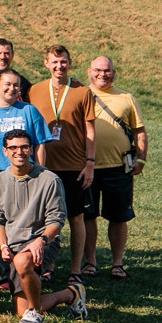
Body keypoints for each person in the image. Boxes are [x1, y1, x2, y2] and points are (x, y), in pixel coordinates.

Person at [0, 130, 84, 323]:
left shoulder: (49, 179)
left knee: (23, 261)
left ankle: (35, 314)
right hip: (13, 244)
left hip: (44, 240)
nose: (19, 152)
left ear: (31, 149)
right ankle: (71, 294)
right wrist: (3, 246)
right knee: (19, 309)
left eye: (24, 147)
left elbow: (57, 219)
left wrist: (42, 240)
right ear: (5, 151)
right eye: (13, 148)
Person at [32, 44, 98, 281]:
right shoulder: (35, 90)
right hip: (43, 167)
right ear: (46, 64)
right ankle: (47, 267)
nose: (59, 66)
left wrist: (90, 163)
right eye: (54, 62)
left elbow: (90, 130)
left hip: (74, 167)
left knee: (75, 217)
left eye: (63, 62)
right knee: (43, 219)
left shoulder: (83, 91)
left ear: (70, 63)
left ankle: (75, 269)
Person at [86, 56, 145, 280]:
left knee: (119, 217)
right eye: (98, 70)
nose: (103, 74)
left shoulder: (126, 98)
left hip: (118, 168)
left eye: (107, 70)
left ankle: (117, 264)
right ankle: (90, 262)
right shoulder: (81, 95)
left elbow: (139, 131)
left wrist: (141, 159)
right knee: (87, 216)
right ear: (89, 71)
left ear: (114, 72)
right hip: (87, 167)